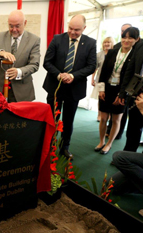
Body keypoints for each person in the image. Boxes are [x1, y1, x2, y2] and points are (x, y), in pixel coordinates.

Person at [43, 15, 96, 160]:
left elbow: (91, 66)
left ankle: (64, 147)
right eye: (70, 28)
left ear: (84, 28)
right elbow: (47, 62)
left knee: (68, 120)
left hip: (74, 88)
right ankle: (49, 146)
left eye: (77, 30)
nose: (72, 32)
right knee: (52, 118)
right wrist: (60, 75)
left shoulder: (90, 43)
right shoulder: (57, 39)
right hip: (55, 86)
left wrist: (72, 76)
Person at [95, 27, 139, 155]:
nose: (126, 40)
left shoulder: (135, 55)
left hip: (122, 91)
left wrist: (123, 94)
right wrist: (101, 89)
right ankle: (101, 141)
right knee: (103, 118)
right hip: (107, 88)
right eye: (124, 37)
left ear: (136, 40)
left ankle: (109, 144)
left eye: (130, 38)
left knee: (116, 119)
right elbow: (102, 72)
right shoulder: (113, 52)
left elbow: (133, 78)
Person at [0, 10, 40, 102]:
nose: (14, 29)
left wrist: (19, 72)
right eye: (11, 26)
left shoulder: (34, 40)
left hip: (21, 92)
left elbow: (35, 64)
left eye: (17, 26)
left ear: (25, 23)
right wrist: (1, 53)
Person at [117, 31, 143, 152]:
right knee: (133, 128)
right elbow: (129, 70)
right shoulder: (139, 46)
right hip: (137, 94)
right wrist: (122, 92)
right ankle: (128, 154)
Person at [90, 37, 114, 122]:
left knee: (110, 98)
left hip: (111, 80)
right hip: (100, 80)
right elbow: (94, 68)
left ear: (112, 44)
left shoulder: (115, 54)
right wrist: (92, 79)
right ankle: (99, 115)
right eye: (105, 42)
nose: (106, 44)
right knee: (101, 98)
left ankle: (110, 116)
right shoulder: (99, 54)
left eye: (108, 42)